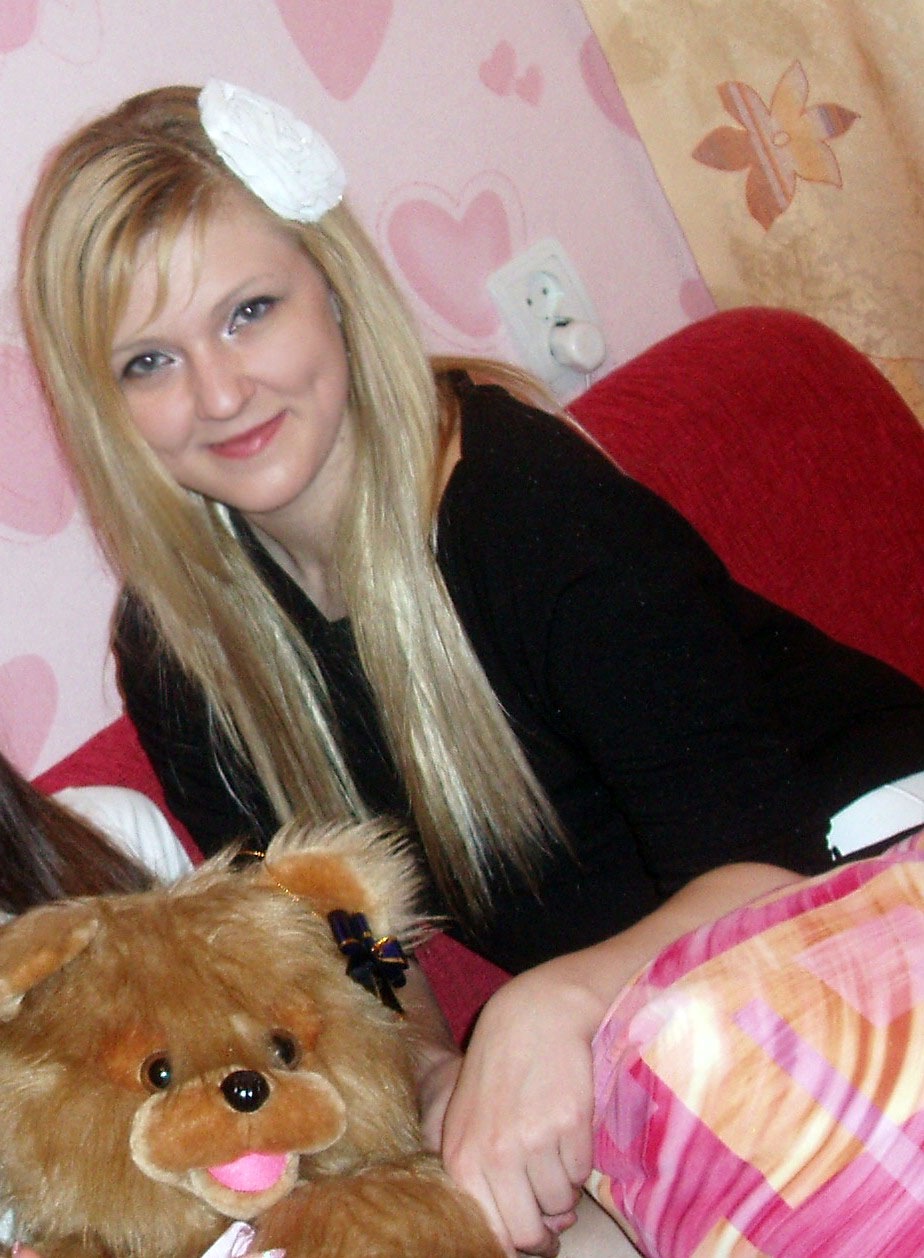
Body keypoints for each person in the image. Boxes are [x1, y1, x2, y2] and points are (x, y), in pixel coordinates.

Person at [17, 80, 924, 1257]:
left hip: (864, 874)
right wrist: (433, 1074)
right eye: (149, 360)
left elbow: (770, 863)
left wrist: (553, 1004)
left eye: (249, 312)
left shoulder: (522, 507)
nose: (220, 393)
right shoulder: (186, 657)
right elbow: (353, 950)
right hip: (670, 1029)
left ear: (334, 286)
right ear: (105, 407)